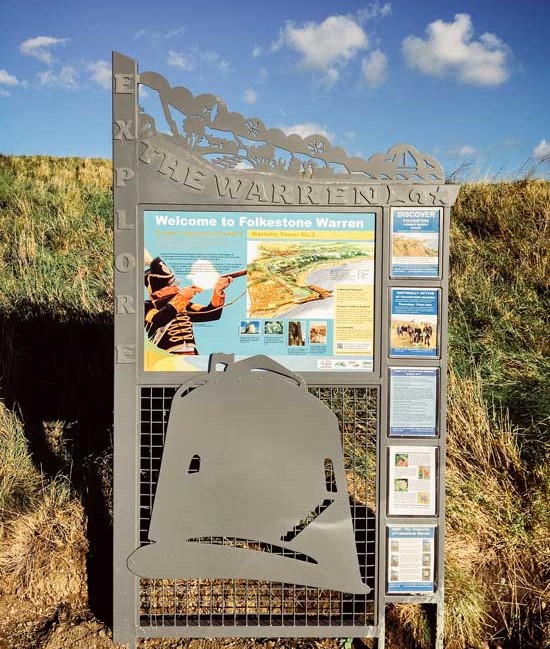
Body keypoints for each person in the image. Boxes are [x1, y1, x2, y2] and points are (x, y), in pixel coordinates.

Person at [144, 257, 232, 355]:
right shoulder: (146, 306)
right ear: (159, 293)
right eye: (171, 286)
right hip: (166, 358)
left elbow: (211, 314)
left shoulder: (183, 304)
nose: (177, 288)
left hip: (192, 356)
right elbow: (158, 319)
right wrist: (182, 297)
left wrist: (217, 291)